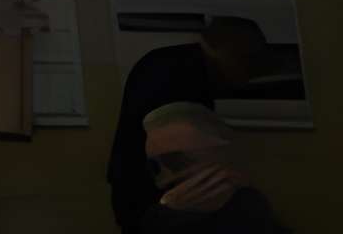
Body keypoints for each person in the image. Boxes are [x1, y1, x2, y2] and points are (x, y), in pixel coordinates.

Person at [106, 20, 268, 232]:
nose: (247, 78)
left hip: (146, 196)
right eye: (249, 64)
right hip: (155, 199)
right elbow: (177, 148)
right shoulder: (185, 73)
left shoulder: (171, 64)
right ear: (233, 53)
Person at [138, 104, 285, 231]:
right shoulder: (161, 217)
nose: (168, 178)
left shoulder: (250, 211)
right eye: (155, 166)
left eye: (176, 161)